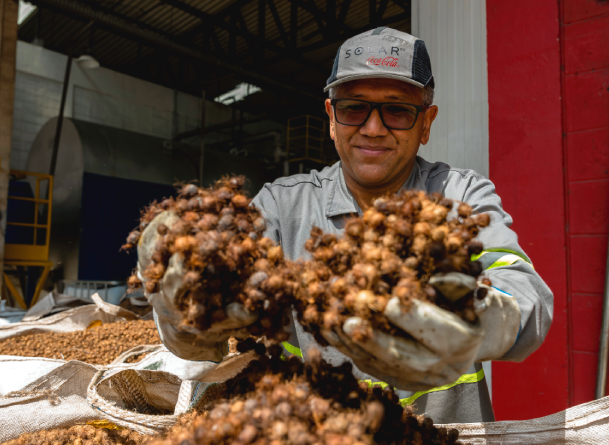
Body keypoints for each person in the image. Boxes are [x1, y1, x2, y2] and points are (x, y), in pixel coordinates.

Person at [141, 27, 553, 423]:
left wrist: (475, 316)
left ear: (426, 123)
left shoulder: (460, 197)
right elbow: (202, 338)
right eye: (354, 108)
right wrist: (185, 305)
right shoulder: (281, 207)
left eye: (396, 110)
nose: (373, 128)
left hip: (438, 435)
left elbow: (526, 298)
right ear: (331, 117)